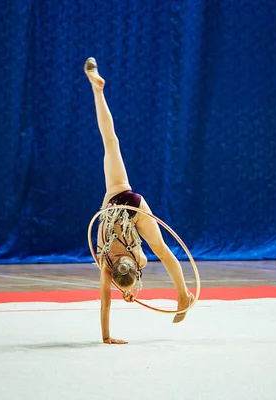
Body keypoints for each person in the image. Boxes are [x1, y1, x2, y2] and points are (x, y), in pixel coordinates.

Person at [84, 57, 194, 345]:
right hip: (122, 199)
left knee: (157, 251)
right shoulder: (108, 262)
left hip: (127, 206)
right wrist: (126, 289)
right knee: (110, 142)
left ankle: (97, 91)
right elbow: (108, 298)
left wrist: (108, 336)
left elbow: (106, 301)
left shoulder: (119, 262)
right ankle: (182, 293)